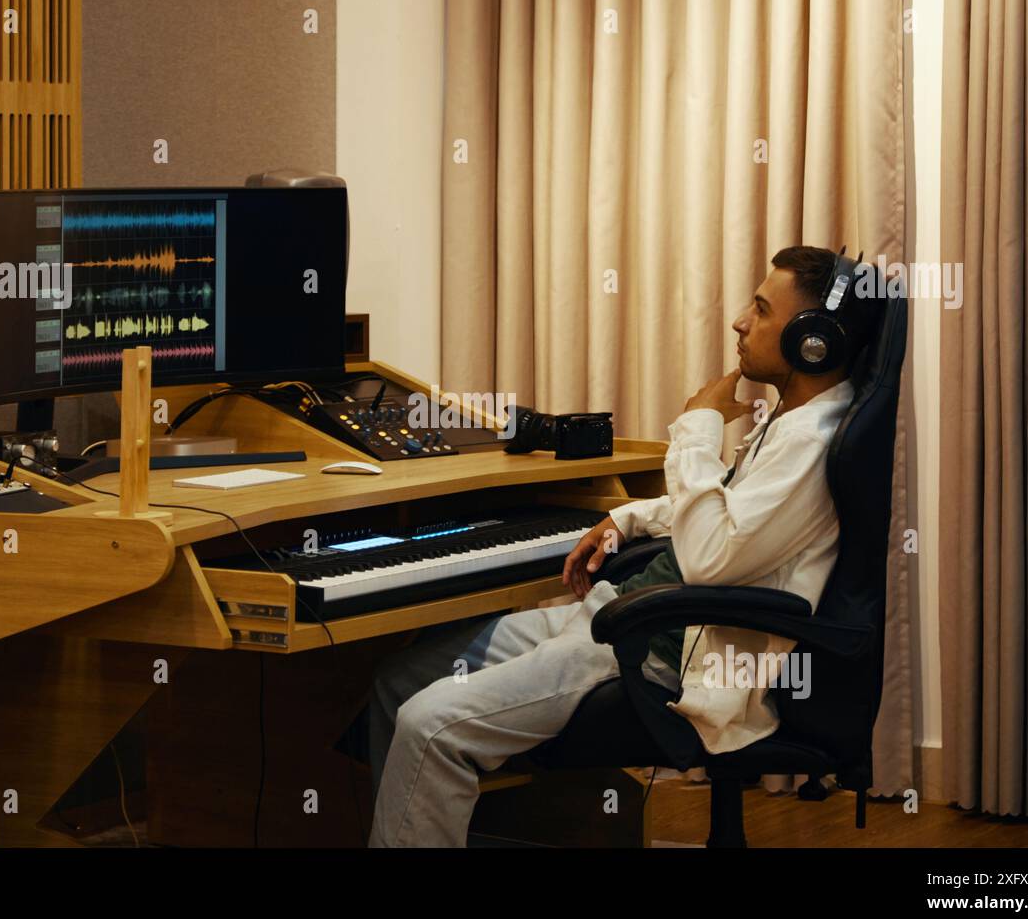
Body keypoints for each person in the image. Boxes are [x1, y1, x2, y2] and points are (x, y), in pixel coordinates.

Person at [367, 245, 879, 847]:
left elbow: (710, 553)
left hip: (648, 649)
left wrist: (699, 426)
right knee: (396, 680)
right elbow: (727, 511)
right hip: (617, 612)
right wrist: (629, 517)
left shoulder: (812, 444)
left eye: (762, 310)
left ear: (812, 339)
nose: (741, 320)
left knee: (430, 726)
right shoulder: (793, 420)